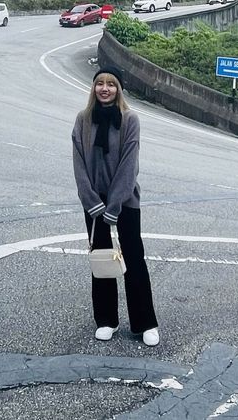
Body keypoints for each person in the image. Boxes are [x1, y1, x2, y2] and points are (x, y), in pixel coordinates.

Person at [72, 66, 159, 346]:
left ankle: (144, 323)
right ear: (94, 88)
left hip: (125, 203)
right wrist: (92, 201)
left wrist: (116, 203)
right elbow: (79, 165)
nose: (105, 88)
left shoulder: (130, 119)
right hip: (95, 206)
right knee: (102, 262)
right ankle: (107, 320)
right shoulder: (83, 120)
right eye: (100, 83)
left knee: (134, 260)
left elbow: (129, 165)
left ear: (119, 89)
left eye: (111, 84)